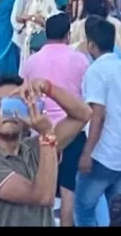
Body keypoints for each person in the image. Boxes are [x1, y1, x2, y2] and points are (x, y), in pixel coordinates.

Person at [0, 74, 91, 227]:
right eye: (1, 105)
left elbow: (84, 114)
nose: (9, 113)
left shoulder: (35, 148)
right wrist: (47, 135)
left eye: (16, 106)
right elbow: (43, 197)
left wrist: (47, 87)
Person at [18, 12, 90, 227]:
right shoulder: (79, 59)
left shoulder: (32, 60)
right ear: (68, 35)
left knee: (44, 185)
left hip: (40, 131)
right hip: (72, 129)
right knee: (68, 187)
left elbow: (23, 93)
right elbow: (85, 97)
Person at [74, 17, 121, 226]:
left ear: (91, 45)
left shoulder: (96, 72)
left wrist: (87, 153)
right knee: (119, 215)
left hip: (103, 155)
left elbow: (98, 114)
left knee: (84, 211)